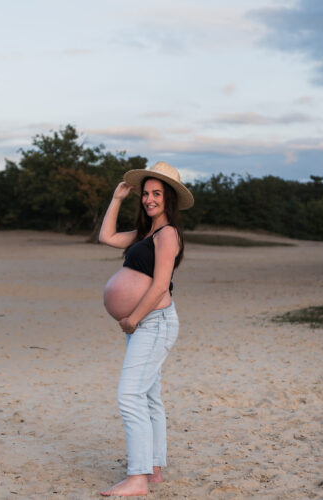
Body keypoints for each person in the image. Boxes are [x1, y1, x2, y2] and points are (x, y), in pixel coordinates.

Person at [99, 161, 194, 497]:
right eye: (146, 194)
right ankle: (153, 467)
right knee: (150, 395)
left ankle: (137, 477)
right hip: (144, 324)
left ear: (169, 199)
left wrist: (133, 318)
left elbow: (159, 285)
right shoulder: (145, 234)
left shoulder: (168, 235)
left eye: (157, 194)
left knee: (129, 395)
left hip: (153, 322)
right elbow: (106, 236)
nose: (149, 199)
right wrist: (117, 198)